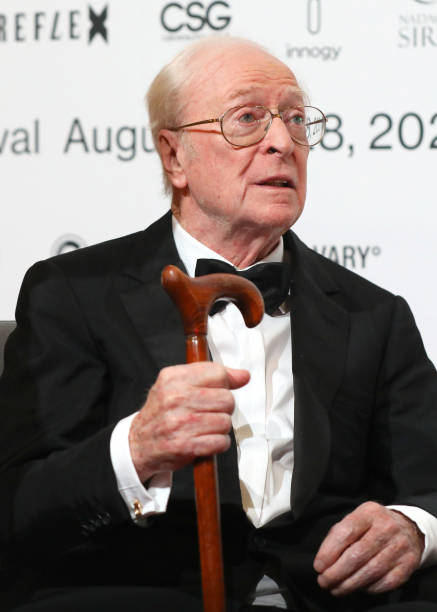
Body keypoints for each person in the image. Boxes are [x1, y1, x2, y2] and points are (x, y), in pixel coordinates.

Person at [0, 37, 437, 612]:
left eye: (296, 119)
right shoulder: (71, 294)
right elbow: (19, 505)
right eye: (248, 118)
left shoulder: (373, 313)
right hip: (146, 591)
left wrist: (414, 526)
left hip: (332, 596)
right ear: (174, 157)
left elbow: (428, 480)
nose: (283, 142)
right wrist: (136, 448)